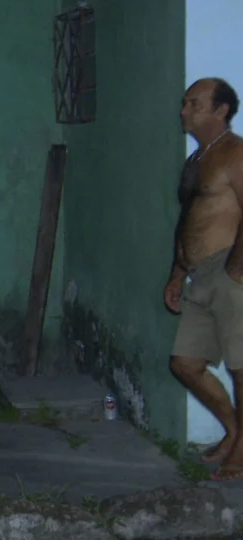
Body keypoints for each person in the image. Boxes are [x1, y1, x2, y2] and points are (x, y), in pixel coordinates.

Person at [165, 77, 243, 482]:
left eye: (194, 104)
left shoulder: (236, 153)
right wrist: (177, 273)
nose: (184, 111)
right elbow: (187, 221)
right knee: (185, 363)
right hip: (198, 275)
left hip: (229, 271)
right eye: (185, 103)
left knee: (241, 366)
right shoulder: (197, 160)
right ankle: (234, 431)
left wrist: (236, 269)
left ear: (221, 110)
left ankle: (242, 449)